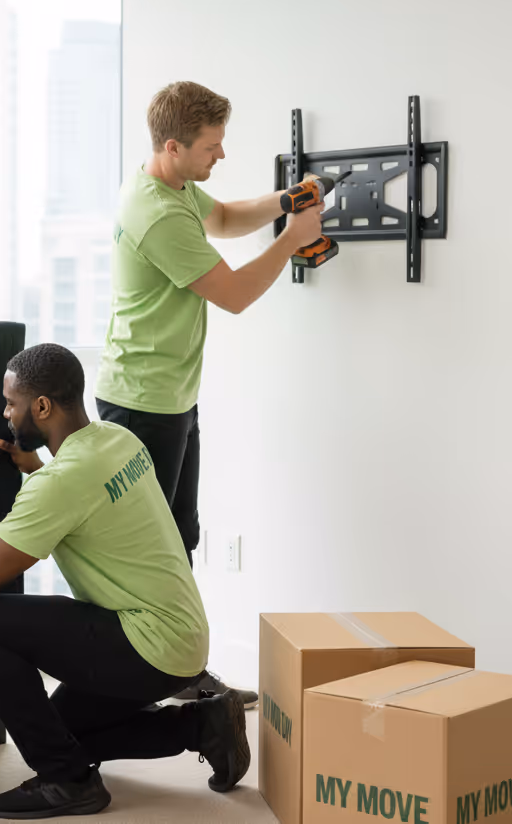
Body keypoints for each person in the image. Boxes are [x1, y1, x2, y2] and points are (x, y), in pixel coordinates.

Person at [0, 343, 249, 820]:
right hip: (183, 641)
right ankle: (203, 725)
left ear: (41, 407)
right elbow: (86, 498)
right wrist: (36, 466)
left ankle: (68, 783)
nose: (5, 413)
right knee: (61, 735)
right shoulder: (116, 439)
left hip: (150, 649)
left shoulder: (61, 482)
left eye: (10, 402)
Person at [94, 81, 325, 703]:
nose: (221, 155)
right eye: (211, 146)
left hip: (169, 396)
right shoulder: (159, 214)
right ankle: (145, 680)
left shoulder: (174, 188)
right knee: (153, 549)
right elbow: (236, 295)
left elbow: (221, 218)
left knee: (180, 535)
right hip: (141, 402)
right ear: (173, 146)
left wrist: (286, 200)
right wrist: (291, 238)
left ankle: (183, 672)